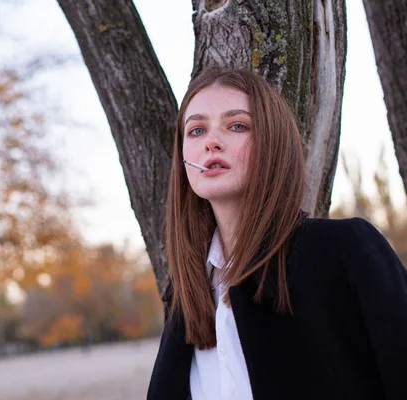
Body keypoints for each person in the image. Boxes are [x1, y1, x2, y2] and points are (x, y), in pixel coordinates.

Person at [146, 67, 407, 400]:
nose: (211, 142)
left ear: (272, 142)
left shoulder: (344, 250)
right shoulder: (186, 290)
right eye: (196, 130)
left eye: (237, 126)